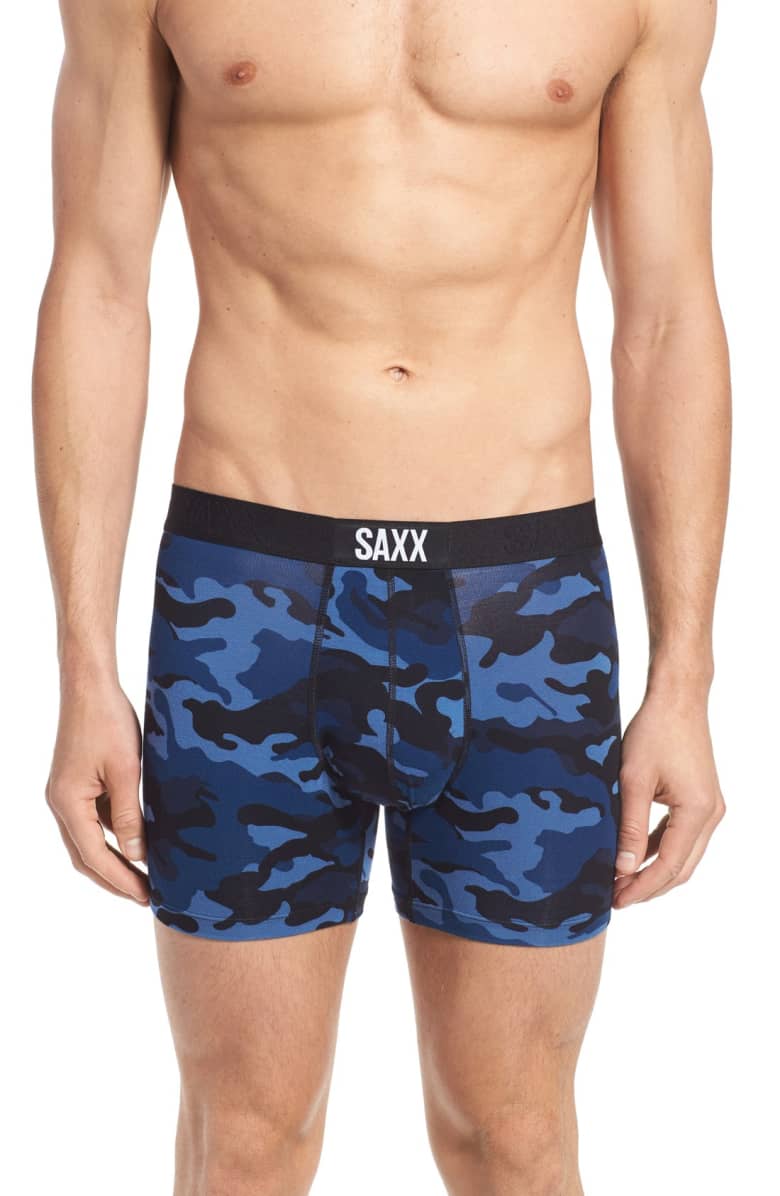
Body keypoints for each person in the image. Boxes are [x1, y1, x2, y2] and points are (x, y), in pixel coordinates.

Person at [33, 1, 729, 1192]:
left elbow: (666, 319)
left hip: (523, 603)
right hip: (247, 590)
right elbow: (99, 286)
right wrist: (82, 666)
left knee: (514, 1134)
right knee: (247, 1136)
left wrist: (687, 675)